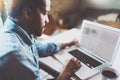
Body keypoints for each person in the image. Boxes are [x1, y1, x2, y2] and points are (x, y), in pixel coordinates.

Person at [0, 0, 81, 80]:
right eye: (45, 13)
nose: (47, 20)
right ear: (27, 13)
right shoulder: (18, 56)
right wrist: (66, 72)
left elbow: (42, 47)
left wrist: (68, 43)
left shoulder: (15, 31)